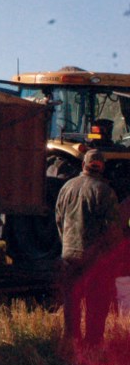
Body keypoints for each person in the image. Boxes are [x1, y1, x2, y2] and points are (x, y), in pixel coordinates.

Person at [55, 148, 120, 348]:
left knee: (71, 301)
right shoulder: (105, 192)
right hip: (94, 258)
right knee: (96, 303)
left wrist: (66, 244)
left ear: (83, 165)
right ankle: (92, 346)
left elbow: (58, 219)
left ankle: (71, 342)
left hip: (69, 255)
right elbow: (114, 229)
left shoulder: (66, 187)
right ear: (101, 168)